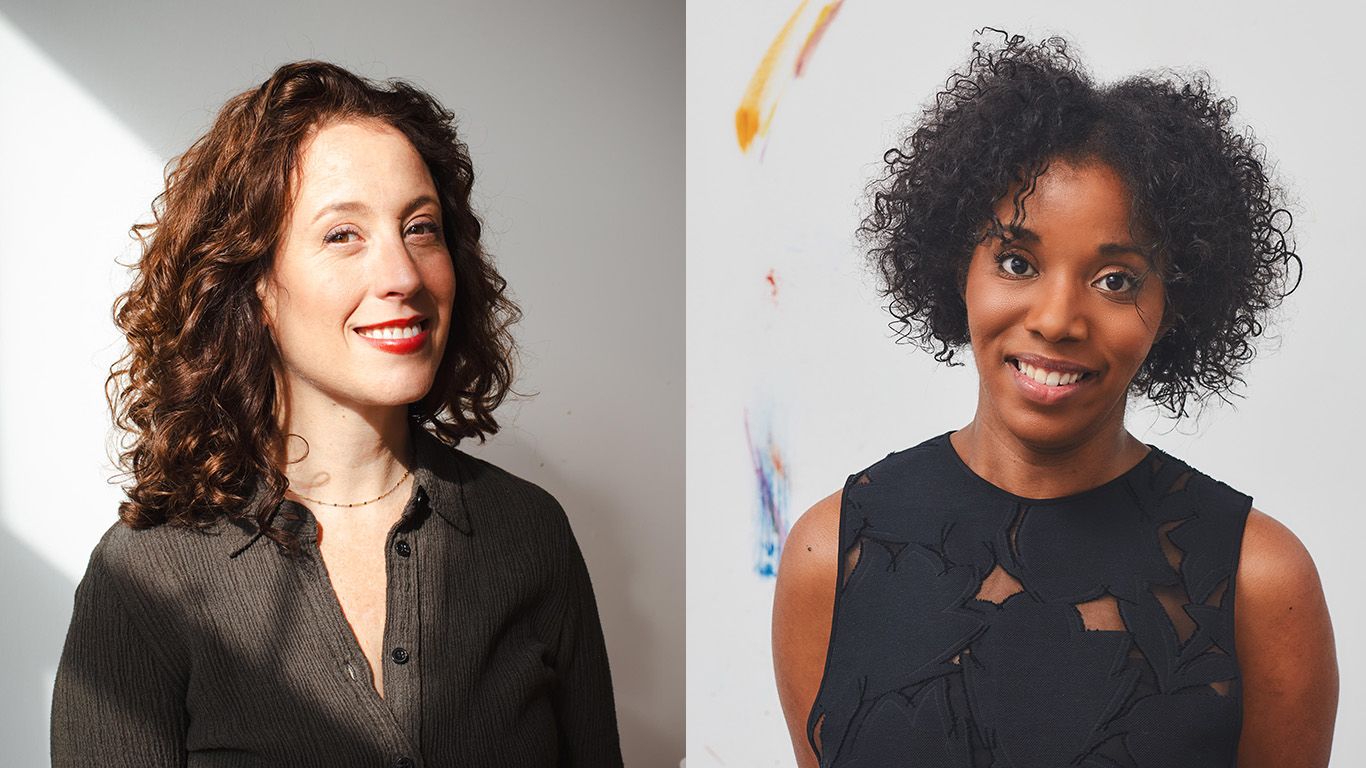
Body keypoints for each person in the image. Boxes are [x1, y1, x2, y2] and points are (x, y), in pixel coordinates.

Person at [772, 31, 1337, 768]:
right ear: (957, 268)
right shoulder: (832, 555)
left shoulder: (1262, 581)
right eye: (1017, 261)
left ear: (1178, 302)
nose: (1056, 319)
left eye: (1116, 280)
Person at [51, 61, 622, 767]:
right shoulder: (146, 578)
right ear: (254, 281)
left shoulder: (529, 534)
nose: (404, 276)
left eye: (420, 228)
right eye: (342, 235)